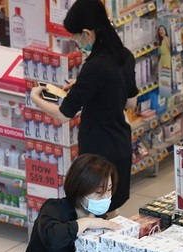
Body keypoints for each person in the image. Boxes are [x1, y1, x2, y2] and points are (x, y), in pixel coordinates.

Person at [29, 0, 138, 213]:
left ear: (87, 33)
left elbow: (63, 115)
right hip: (120, 145)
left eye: (75, 35)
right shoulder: (124, 55)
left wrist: (35, 97)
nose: (75, 40)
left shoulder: (94, 67)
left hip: (98, 152)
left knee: (95, 213)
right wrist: (88, 88)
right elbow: (130, 102)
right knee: (110, 207)